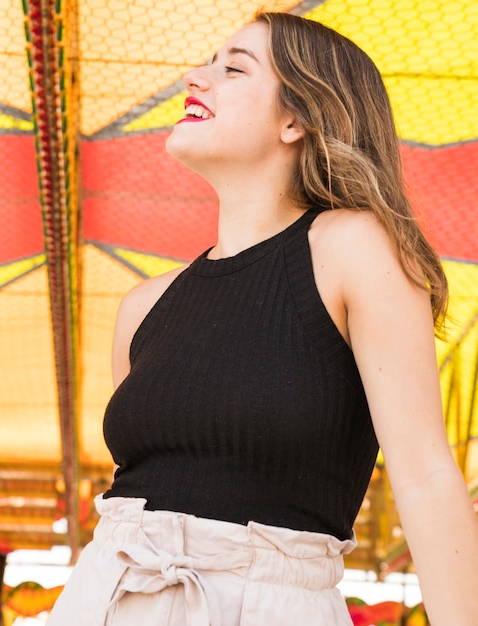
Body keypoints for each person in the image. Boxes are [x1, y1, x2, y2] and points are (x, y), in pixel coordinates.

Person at [47, 11, 478, 626]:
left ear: (296, 119)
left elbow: (428, 477)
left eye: (232, 67)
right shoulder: (142, 305)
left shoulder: (352, 247)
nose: (196, 78)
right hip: (105, 596)